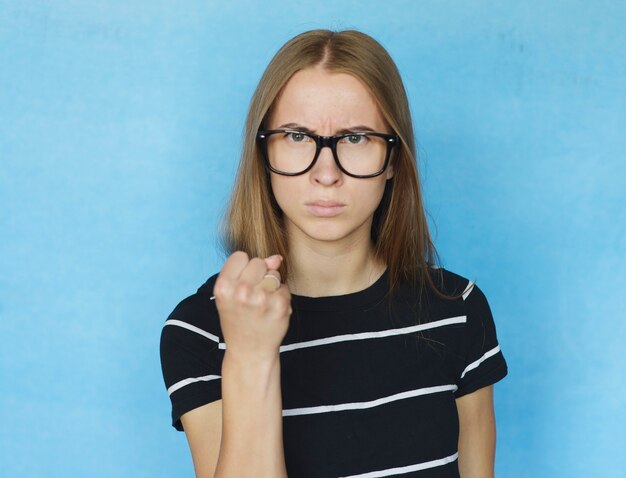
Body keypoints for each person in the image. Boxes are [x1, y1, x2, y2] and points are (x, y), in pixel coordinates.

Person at [160, 29, 508, 477]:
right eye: (298, 136)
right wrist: (250, 354)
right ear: (263, 152)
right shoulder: (201, 331)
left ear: (394, 160)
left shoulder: (458, 311)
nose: (326, 173)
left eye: (357, 138)